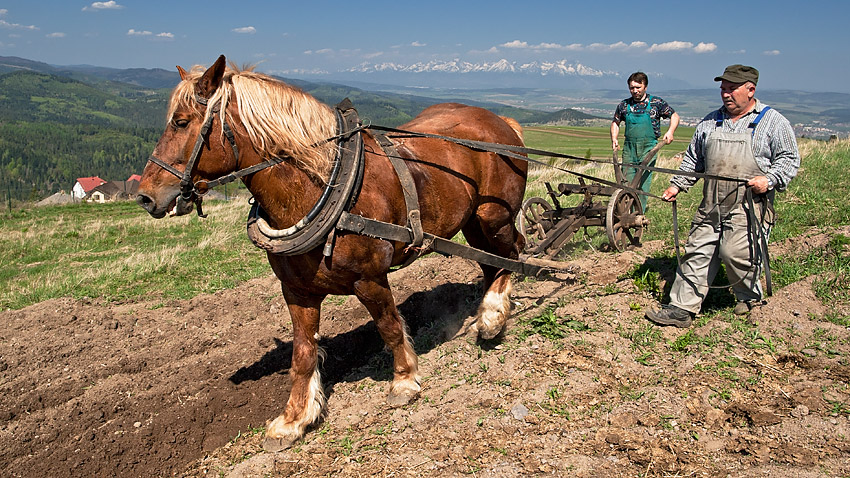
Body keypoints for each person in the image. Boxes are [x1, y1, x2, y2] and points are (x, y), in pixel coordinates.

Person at [645, 64, 800, 327]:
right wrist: (677, 185)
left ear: (751, 90)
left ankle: (749, 299)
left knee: (736, 252)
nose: (725, 94)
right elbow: (695, 160)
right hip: (712, 201)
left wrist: (769, 179)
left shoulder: (773, 122)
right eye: (723, 89)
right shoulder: (709, 121)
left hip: (748, 203)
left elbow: (788, 159)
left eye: (732, 89)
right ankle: (682, 308)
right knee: (697, 251)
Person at [610, 72, 680, 211]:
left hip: (648, 147)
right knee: (626, 182)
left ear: (645, 86)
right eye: (632, 88)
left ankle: (638, 213)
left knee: (642, 182)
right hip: (629, 148)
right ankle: (625, 211)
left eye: (638, 87)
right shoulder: (624, 105)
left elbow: (674, 116)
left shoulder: (656, 103)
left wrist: (670, 131)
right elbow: (615, 122)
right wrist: (614, 138)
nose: (635, 91)